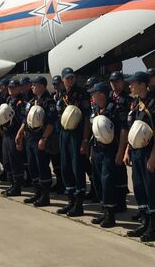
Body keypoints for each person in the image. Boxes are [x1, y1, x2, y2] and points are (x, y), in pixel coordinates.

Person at [124, 71, 155, 242]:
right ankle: (144, 223)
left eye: (133, 83)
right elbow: (133, 129)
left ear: (143, 84)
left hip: (151, 152)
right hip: (136, 151)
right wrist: (127, 150)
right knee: (139, 187)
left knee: (153, 189)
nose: (130, 86)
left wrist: (153, 156)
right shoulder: (136, 103)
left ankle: (153, 228)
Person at [88, 82, 127, 228]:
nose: (92, 96)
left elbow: (123, 130)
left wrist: (120, 151)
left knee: (107, 182)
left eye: (94, 93)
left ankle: (110, 215)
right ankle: (104, 211)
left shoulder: (116, 109)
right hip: (97, 150)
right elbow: (95, 132)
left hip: (110, 151)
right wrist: (92, 150)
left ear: (102, 94)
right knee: (98, 181)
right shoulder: (96, 108)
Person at [55, 67, 91, 217]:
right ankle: (70, 201)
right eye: (67, 78)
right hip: (64, 134)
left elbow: (87, 119)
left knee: (77, 169)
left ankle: (79, 204)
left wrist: (84, 140)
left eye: (72, 78)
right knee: (65, 167)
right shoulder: (61, 94)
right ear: (62, 79)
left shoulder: (81, 94)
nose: (70, 80)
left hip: (77, 135)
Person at [16, 76, 57, 207]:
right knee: (32, 166)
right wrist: (20, 132)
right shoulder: (32, 101)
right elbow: (25, 119)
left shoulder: (48, 102)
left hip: (40, 139)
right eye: (32, 85)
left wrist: (44, 138)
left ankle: (45, 196)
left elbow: (51, 123)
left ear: (43, 86)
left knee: (42, 166)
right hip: (30, 138)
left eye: (35, 84)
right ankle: (37, 192)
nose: (32, 86)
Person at [0, 79, 27, 196]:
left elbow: (24, 119)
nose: (10, 89)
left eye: (13, 87)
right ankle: (11, 184)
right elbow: (3, 117)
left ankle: (17, 186)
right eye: (9, 87)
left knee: (15, 161)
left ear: (19, 88)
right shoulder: (8, 99)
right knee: (7, 161)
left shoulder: (22, 102)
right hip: (6, 133)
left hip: (15, 134)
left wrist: (19, 135)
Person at [109, 71, 131, 213]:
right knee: (111, 172)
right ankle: (113, 200)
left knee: (120, 171)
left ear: (122, 82)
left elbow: (126, 127)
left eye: (117, 81)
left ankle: (121, 202)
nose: (114, 84)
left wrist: (122, 149)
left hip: (120, 139)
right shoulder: (109, 97)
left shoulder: (127, 100)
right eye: (112, 81)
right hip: (108, 140)